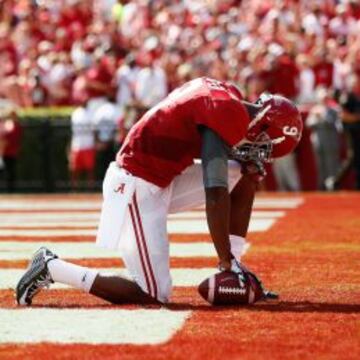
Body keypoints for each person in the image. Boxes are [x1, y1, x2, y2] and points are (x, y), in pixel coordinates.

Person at [15, 77, 302, 306]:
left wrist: (231, 261)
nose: (259, 153)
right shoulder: (227, 111)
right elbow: (214, 189)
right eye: (264, 147)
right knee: (154, 294)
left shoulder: (228, 94)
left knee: (244, 174)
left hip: (161, 176)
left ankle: (234, 264)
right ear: (262, 126)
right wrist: (223, 259)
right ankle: (52, 267)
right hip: (136, 184)